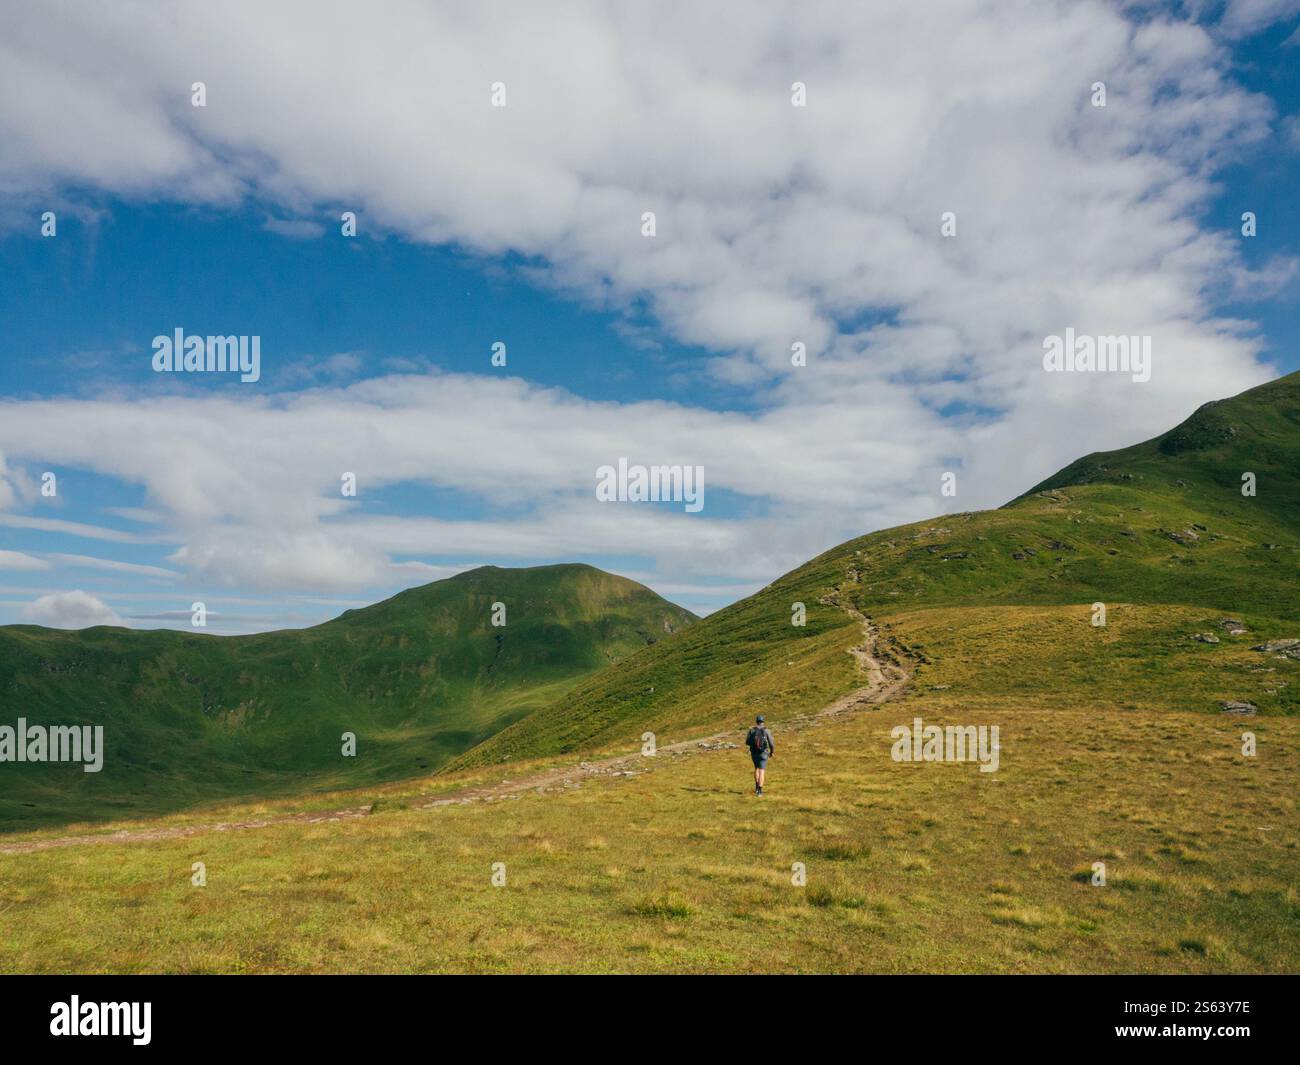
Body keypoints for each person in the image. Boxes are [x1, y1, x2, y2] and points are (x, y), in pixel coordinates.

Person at [745, 714, 774, 795]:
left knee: (756, 768)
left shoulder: (752, 730)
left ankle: (757, 787)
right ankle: (760, 792)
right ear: (763, 722)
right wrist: (772, 751)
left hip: (754, 753)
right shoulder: (767, 731)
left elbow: (747, 742)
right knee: (762, 770)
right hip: (763, 753)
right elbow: (771, 743)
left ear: (756, 721)